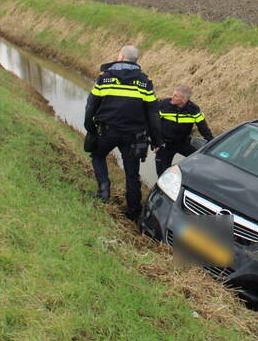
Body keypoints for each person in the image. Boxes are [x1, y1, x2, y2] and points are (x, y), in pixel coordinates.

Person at [83, 45, 163, 221]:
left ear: (120, 57)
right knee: (132, 173)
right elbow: (153, 113)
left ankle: (103, 189)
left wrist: (89, 127)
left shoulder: (105, 78)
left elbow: (91, 105)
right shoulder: (145, 81)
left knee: (97, 155)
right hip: (134, 137)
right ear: (136, 60)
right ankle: (134, 211)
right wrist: (157, 140)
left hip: (107, 131)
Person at [154, 85, 214, 176]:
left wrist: (213, 143)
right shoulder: (163, 105)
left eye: (176, 96)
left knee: (201, 162)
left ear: (184, 100)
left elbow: (203, 128)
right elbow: (153, 124)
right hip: (165, 144)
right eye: (173, 94)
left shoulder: (194, 110)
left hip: (182, 143)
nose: (172, 98)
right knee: (163, 174)